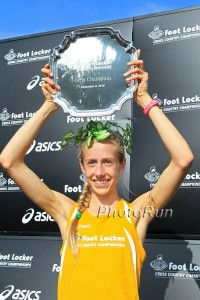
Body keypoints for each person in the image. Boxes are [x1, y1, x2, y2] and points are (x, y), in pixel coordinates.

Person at [0, 51, 194, 300]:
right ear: (82, 167)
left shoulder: (136, 214)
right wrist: (50, 105)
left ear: (121, 165)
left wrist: (144, 99)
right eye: (91, 162)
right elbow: (9, 161)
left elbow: (183, 160)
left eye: (108, 162)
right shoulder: (67, 213)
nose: (99, 172)